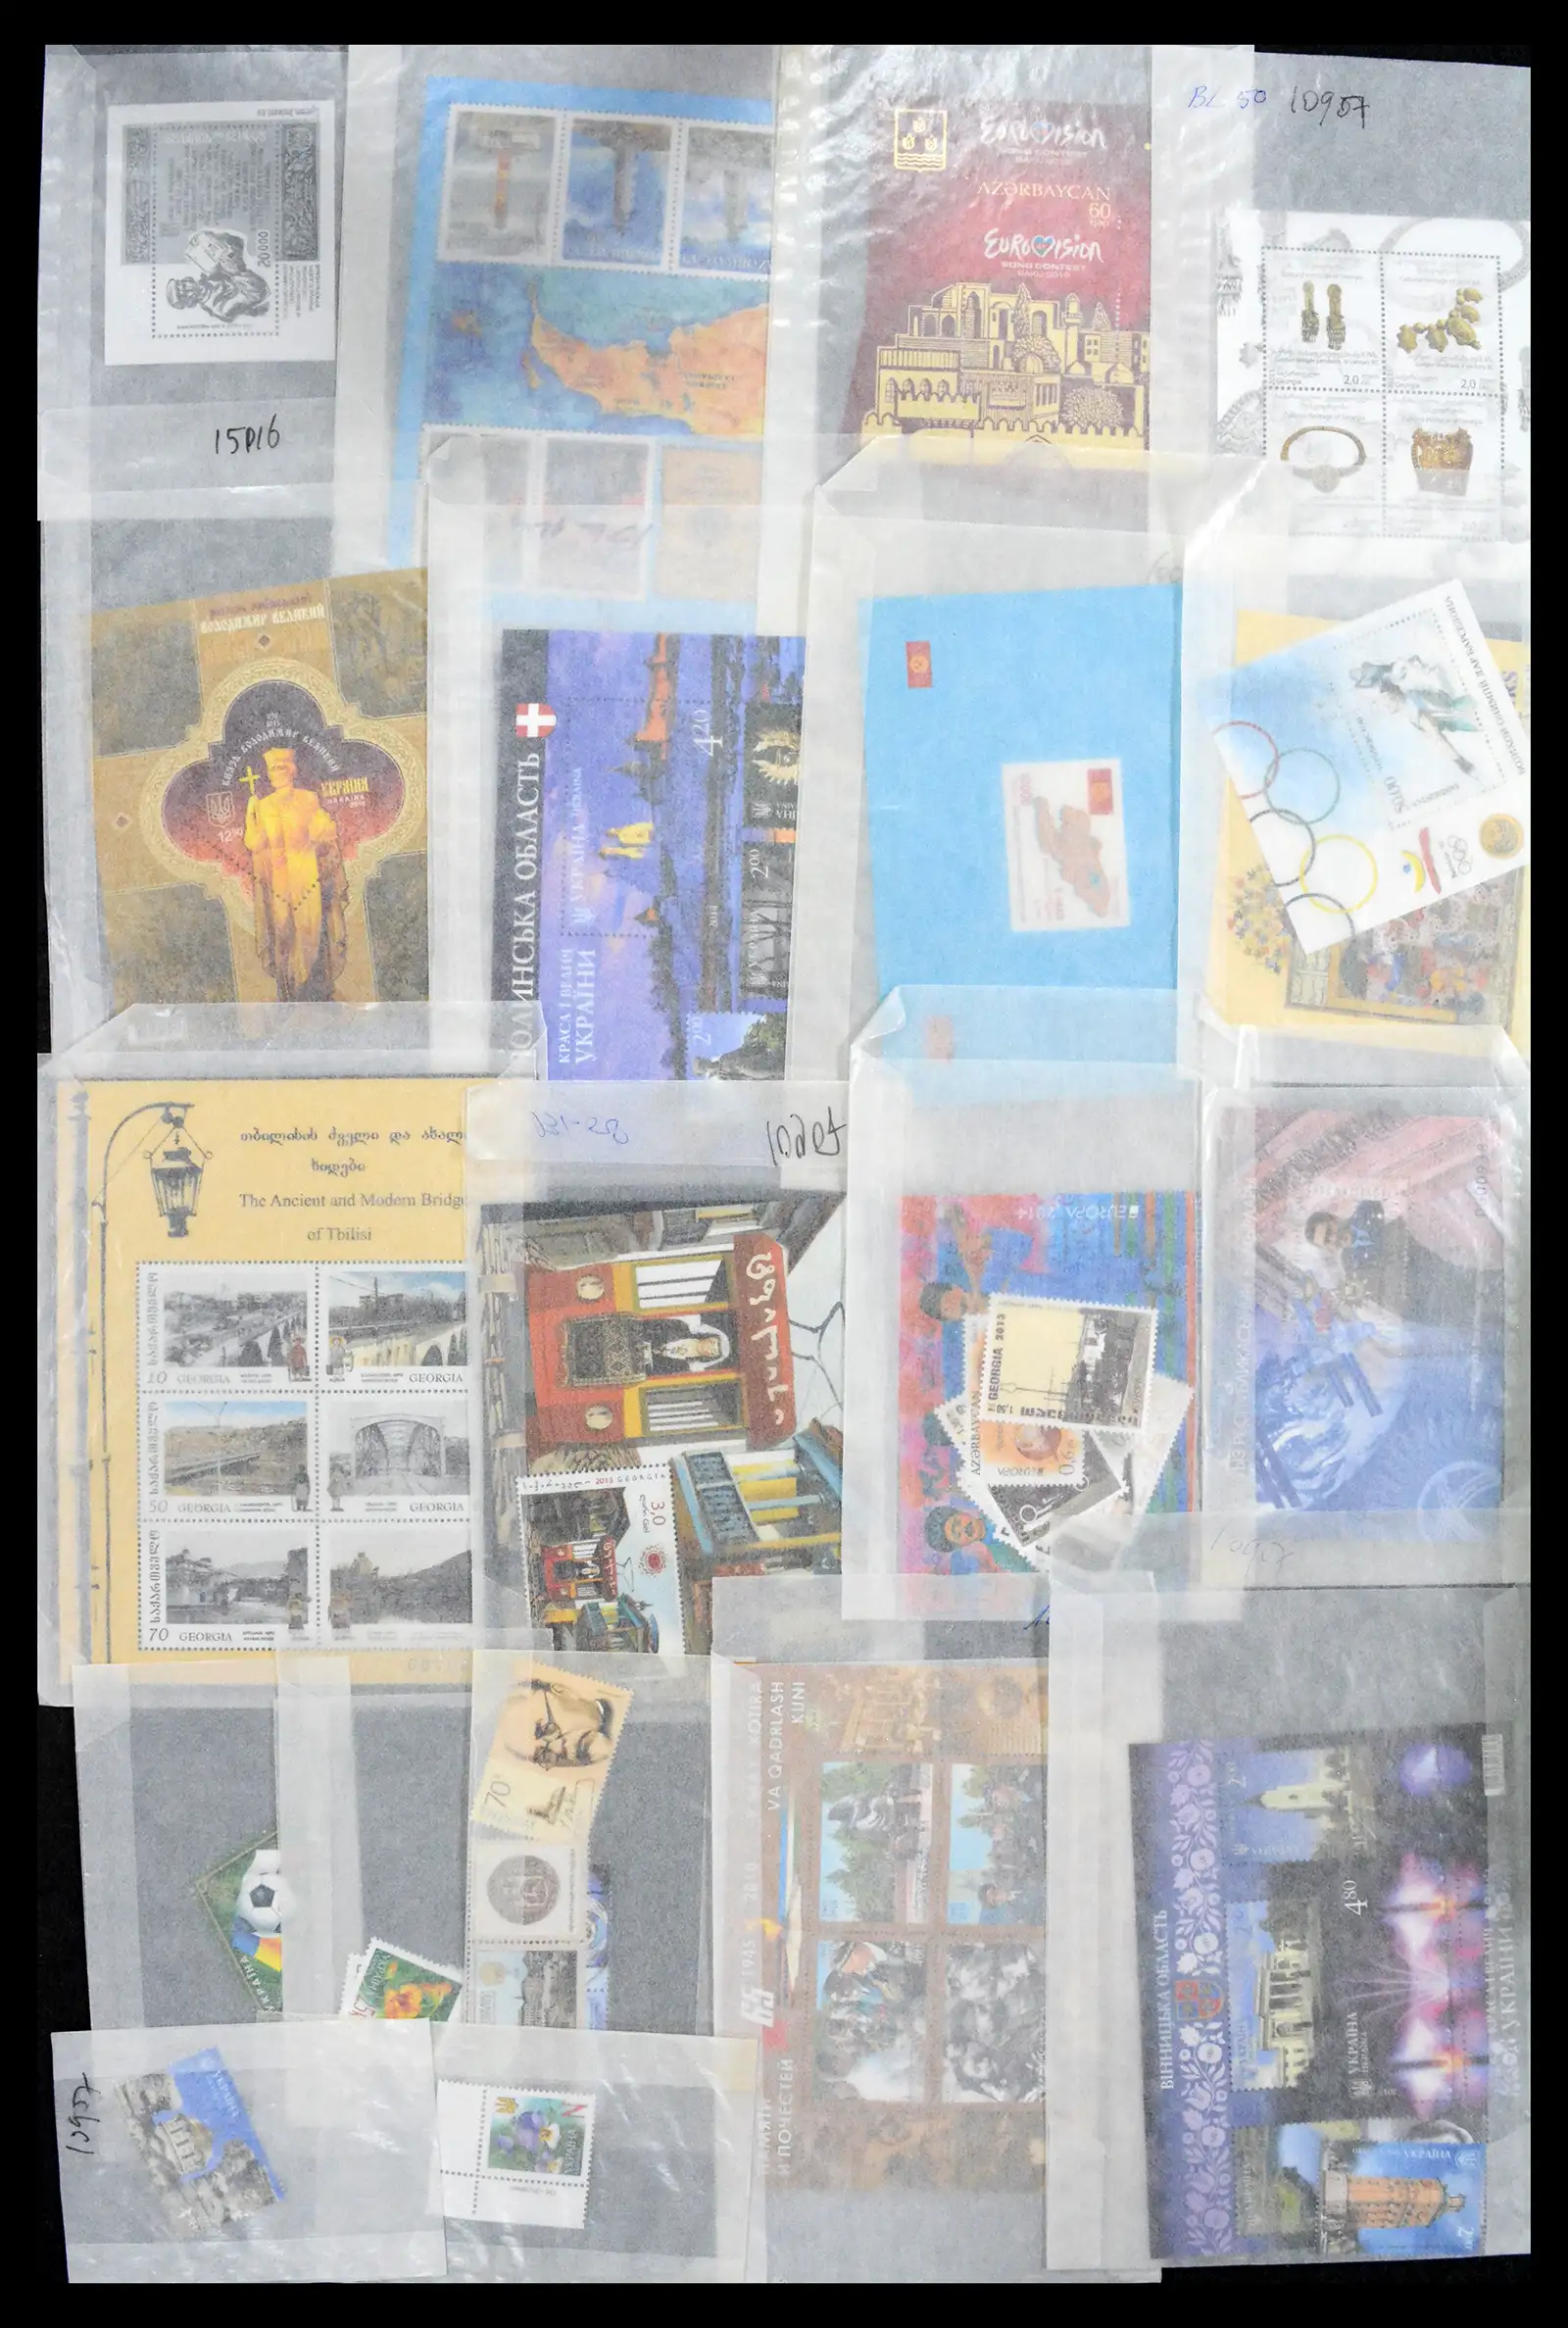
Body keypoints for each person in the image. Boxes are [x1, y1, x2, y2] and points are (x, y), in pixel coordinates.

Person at [243, 745, 348, 1000]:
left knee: (311, 931)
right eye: (272, 768)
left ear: (292, 770)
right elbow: (255, 843)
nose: (277, 772)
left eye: (281, 767)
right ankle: (290, 993)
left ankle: (314, 990)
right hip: (279, 881)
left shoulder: (308, 799)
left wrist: (320, 833)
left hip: (306, 873)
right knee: (282, 932)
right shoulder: (262, 806)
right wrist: (249, 813)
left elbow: (324, 834)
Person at [165, 227, 270, 321]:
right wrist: (235, 271)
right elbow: (259, 292)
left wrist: (227, 246)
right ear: (189, 302)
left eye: (183, 284)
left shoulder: (207, 276)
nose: (188, 288)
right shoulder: (220, 308)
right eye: (185, 294)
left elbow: (235, 243)